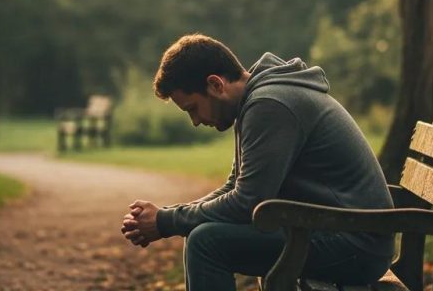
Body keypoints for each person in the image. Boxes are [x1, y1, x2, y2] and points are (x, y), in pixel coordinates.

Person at [121, 34, 394, 290]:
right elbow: (234, 188)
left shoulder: (270, 104)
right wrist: (166, 214)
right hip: (336, 231)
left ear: (216, 85)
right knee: (204, 236)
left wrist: (166, 221)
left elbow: (246, 203)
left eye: (192, 108)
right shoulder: (258, 101)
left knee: (207, 242)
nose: (195, 121)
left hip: (356, 244)